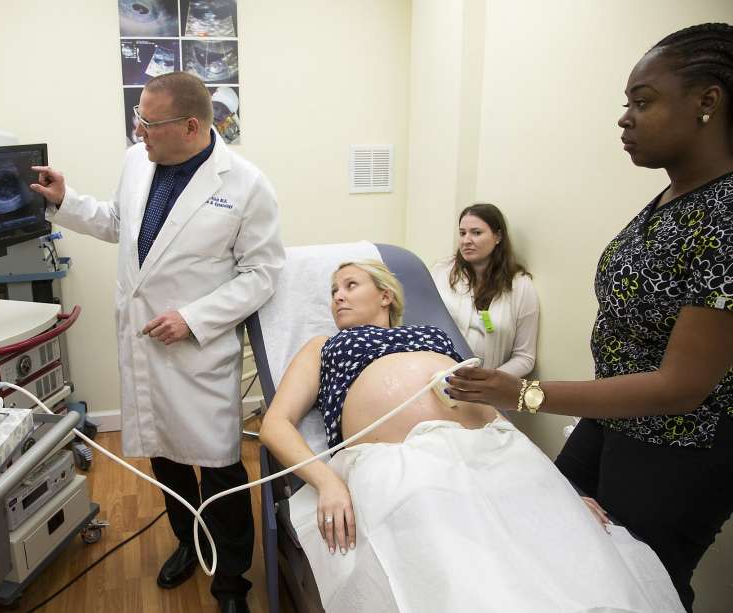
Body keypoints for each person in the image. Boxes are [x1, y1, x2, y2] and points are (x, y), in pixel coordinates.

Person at [447, 23, 733, 613]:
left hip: (680, 446)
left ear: (708, 101)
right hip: (615, 421)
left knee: (639, 585)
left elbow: (682, 388)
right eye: (626, 103)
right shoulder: (672, 198)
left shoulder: (725, 213)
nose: (624, 119)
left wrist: (524, 394)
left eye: (643, 101)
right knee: (562, 535)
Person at [259, 261, 683, 613]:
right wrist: (328, 482)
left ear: (386, 295)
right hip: (401, 459)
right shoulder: (324, 345)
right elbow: (275, 423)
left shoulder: (435, 336)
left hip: (494, 450)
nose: (337, 296)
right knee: (463, 573)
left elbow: (491, 405)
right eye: (333, 290)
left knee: (576, 553)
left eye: (350, 285)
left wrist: (562, 489)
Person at [30, 72, 285, 613]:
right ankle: (189, 542)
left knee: (219, 468)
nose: (138, 130)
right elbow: (118, 222)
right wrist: (65, 200)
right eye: (137, 118)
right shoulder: (136, 161)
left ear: (191, 126)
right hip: (145, 343)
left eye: (148, 121)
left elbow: (263, 274)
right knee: (166, 460)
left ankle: (231, 580)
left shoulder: (244, 184)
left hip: (198, 351)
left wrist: (194, 318)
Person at [431, 203, 539, 377]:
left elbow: (525, 357)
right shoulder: (441, 273)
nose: (466, 240)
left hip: (489, 392)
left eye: (476, 233)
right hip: (438, 378)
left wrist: (488, 382)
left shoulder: (520, 286)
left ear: (498, 237)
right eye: (462, 233)